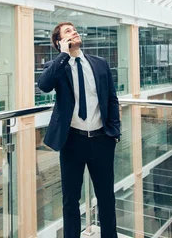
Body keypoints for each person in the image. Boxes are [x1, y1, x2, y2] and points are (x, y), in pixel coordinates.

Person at [38, 22, 121, 238]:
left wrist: (115, 131)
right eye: (67, 31)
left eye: (74, 29)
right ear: (59, 42)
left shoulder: (100, 64)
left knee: (106, 197)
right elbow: (44, 85)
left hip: (102, 139)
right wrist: (64, 55)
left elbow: (112, 99)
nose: (73, 32)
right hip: (72, 141)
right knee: (70, 200)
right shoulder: (57, 66)